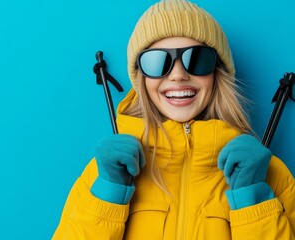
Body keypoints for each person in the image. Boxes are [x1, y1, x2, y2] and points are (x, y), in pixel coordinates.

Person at [52, 0, 295, 239]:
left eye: (197, 59)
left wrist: (253, 201)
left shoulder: (269, 173)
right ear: (142, 81)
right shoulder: (103, 171)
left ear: (217, 72)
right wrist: (108, 194)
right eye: (157, 62)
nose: (178, 75)